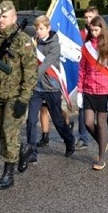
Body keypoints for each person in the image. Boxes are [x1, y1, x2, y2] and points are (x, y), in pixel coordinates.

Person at [0, 0, 37, 188]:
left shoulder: (23, 41)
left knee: (9, 132)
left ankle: (7, 174)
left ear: (14, 18)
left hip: (15, 95)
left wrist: (23, 99)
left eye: (5, 16)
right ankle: (22, 151)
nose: (1, 20)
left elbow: (31, 73)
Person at [25, 15, 76, 163]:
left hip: (51, 87)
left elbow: (46, 63)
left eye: (41, 28)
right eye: (37, 29)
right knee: (31, 121)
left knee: (58, 120)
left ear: (48, 28)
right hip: (36, 88)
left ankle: (69, 140)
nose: (38, 31)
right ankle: (32, 152)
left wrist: (32, 76)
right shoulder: (34, 42)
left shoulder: (55, 44)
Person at [77, 15, 108, 170]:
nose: (94, 32)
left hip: (104, 91)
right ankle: (103, 142)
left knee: (101, 124)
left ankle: (101, 157)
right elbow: (82, 70)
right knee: (88, 122)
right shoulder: (86, 47)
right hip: (89, 90)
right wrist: (80, 91)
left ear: (102, 29)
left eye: (96, 30)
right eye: (91, 30)